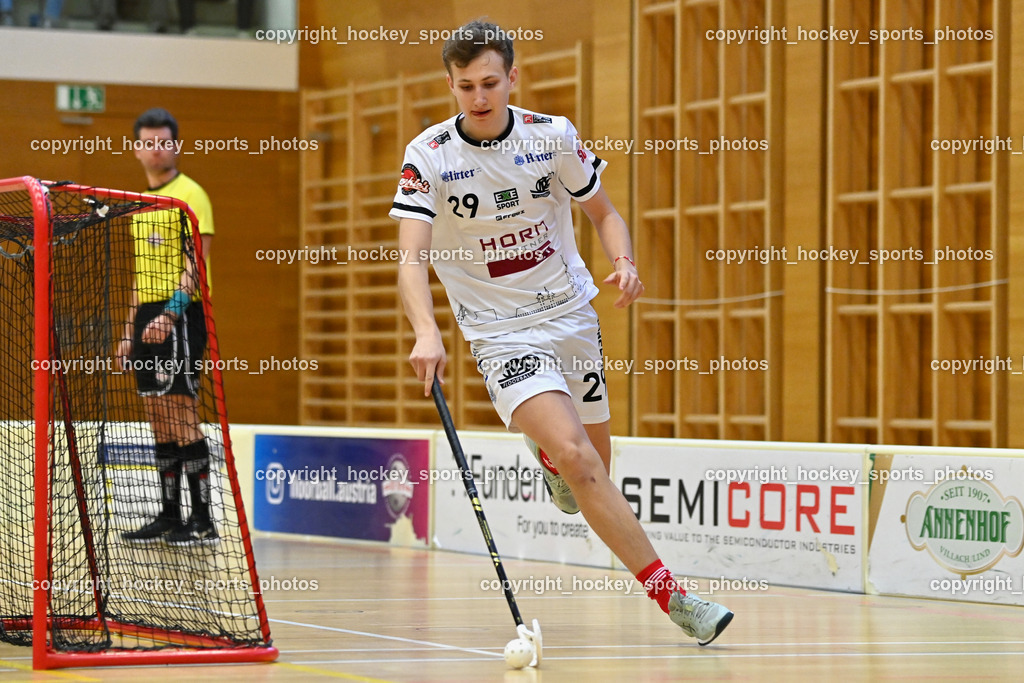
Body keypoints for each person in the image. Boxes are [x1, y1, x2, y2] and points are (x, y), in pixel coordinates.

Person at [391, 20, 734, 645]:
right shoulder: (429, 156)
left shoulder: (552, 137)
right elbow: (411, 258)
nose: (478, 96)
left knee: (596, 463)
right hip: (500, 332)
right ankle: (674, 597)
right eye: (464, 85)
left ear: (513, 78)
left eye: (490, 82)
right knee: (579, 459)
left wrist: (624, 263)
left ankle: (548, 457)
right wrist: (426, 331)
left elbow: (604, 213)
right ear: (451, 85)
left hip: (572, 316)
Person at [118, 107, 218, 545]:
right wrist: (128, 330)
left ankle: (203, 519)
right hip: (146, 315)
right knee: (157, 416)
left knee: (180, 412)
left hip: (180, 313)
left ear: (175, 146)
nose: (156, 149)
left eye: (164, 142)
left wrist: (169, 315)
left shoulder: (190, 195)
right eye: (148, 142)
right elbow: (142, 276)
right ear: (137, 150)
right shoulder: (141, 205)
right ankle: (169, 515)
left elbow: (196, 262)